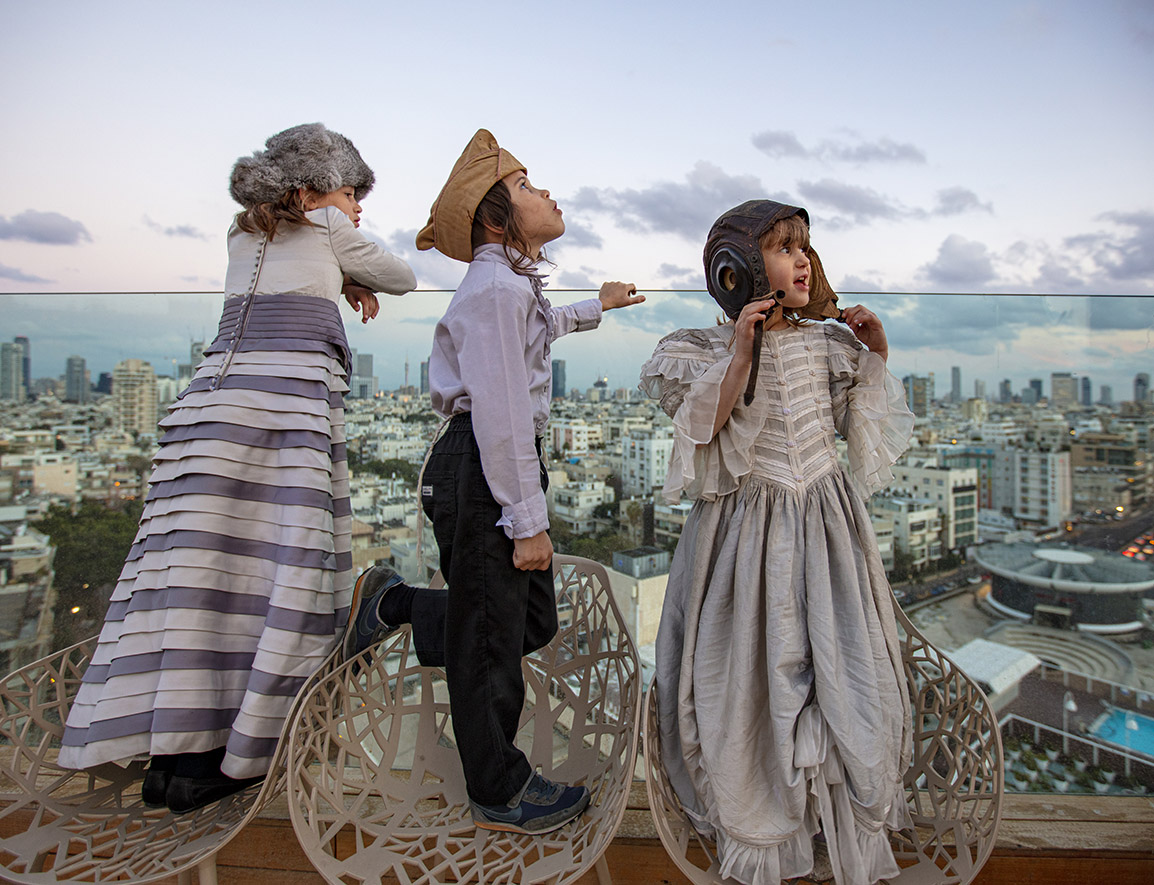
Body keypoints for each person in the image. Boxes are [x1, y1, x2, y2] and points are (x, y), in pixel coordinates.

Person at [58, 123, 418, 814]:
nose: (357, 208)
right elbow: (403, 276)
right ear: (310, 191)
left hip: (206, 412)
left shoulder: (240, 233)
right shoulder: (327, 228)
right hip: (280, 411)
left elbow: (291, 267)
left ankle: (174, 756)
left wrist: (338, 275)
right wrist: (350, 270)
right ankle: (230, 756)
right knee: (276, 573)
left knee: (197, 577)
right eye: (351, 193)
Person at [343, 129, 644, 835]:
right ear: (495, 215)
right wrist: (526, 519)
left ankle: (397, 604)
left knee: (527, 621)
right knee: (488, 642)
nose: (546, 192)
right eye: (527, 185)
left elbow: (535, 331)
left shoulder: (507, 289)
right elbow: (503, 409)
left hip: (492, 465)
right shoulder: (495, 290)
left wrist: (596, 306)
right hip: (484, 466)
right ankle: (499, 788)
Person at [641, 200, 916, 885]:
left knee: (842, 666)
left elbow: (859, 427)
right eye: (783, 248)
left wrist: (876, 353)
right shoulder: (701, 351)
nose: (802, 261)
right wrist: (742, 349)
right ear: (738, 267)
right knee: (751, 677)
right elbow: (705, 424)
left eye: (805, 247)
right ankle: (768, 822)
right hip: (744, 540)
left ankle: (824, 820)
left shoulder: (829, 344)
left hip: (828, 530)